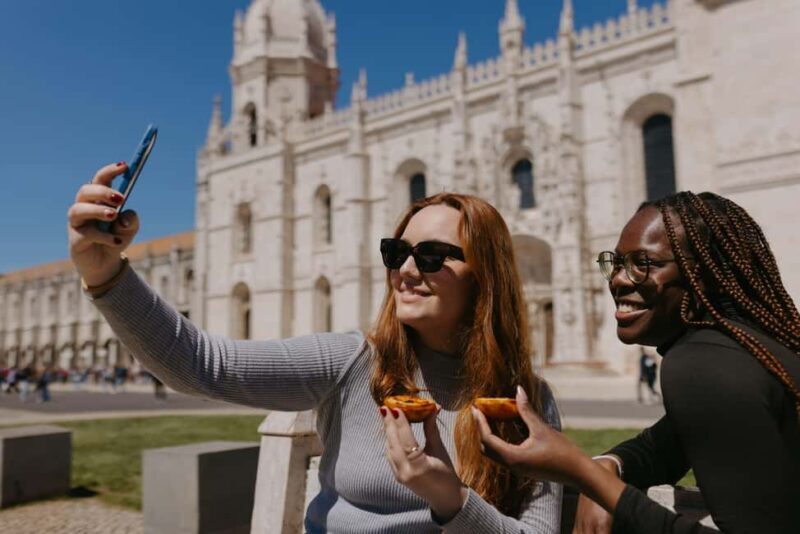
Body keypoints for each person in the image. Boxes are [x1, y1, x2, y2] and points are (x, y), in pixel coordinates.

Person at [67, 162, 563, 533]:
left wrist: (449, 498)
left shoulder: (526, 403)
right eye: (397, 253)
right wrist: (105, 275)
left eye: (432, 256)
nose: (407, 271)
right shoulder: (352, 361)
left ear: (485, 277)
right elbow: (200, 365)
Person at [476, 191, 800, 533]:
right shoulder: (750, 348)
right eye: (615, 262)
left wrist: (581, 473)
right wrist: (606, 465)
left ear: (702, 273)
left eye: (643, 264)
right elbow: (666, 444)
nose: (617, 279)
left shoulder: (700, 365)